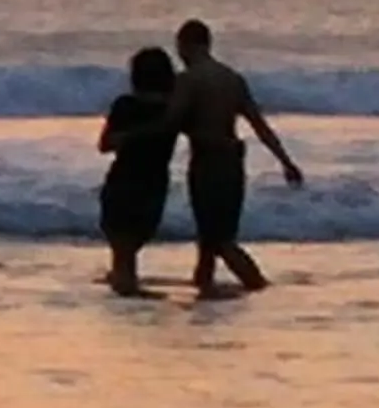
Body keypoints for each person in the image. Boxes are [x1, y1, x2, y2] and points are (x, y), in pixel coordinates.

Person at [160, 18, 304, 296]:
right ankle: (205, 291)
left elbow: (172, 122)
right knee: (210, 239)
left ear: (186, 45)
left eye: (180, 48)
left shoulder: (189, 80)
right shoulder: (232, 78)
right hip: (233, 162)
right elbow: (259, 124)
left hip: (207, 162)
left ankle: (258, 286)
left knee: (219, 240)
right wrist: (285, 162)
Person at [97, 47, 180, 297]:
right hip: (152, 184)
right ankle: (129, 294)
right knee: (129, 247)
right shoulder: (174, 110)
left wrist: (132, 137)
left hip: (123, 180)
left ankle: (127, 296)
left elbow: (105, 144)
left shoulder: (125, 105)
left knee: (122, 249)